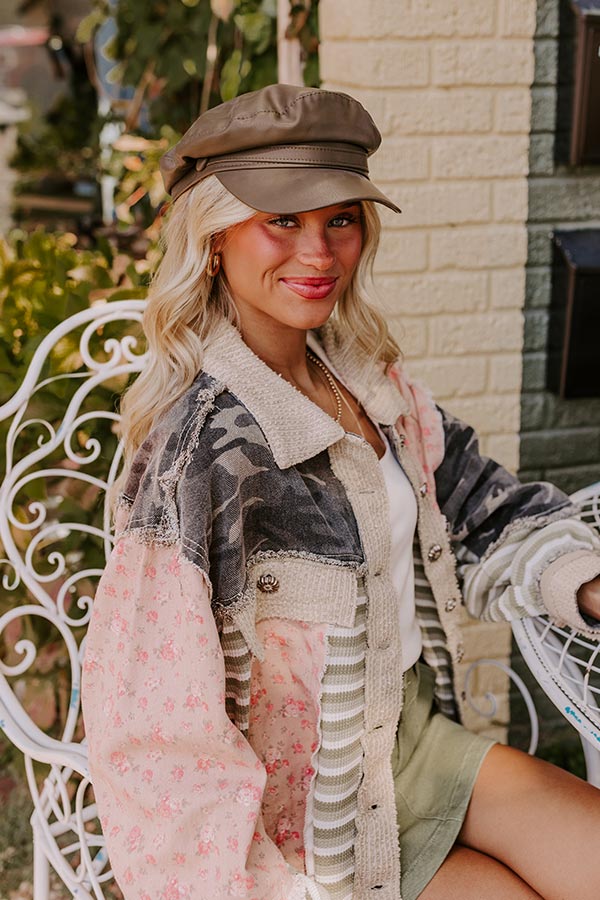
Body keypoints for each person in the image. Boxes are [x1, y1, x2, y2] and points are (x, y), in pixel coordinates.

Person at [82, 84, 600, 900]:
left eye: (341, 220)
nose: (319, 253)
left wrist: (585, 582)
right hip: (310, 827)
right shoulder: (198, 457)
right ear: (215, 237)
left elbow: (478, 504)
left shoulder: (366, 380)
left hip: (417, 741)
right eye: (282, 220)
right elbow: (155, 745)